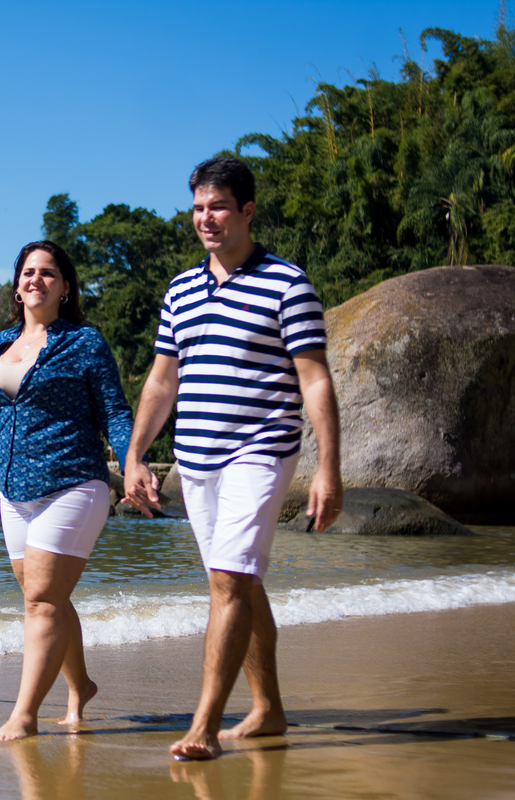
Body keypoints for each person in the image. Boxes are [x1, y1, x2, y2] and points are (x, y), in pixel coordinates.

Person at [122, 156, 343, 760]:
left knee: (228, 580)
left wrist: (328, 468)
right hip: (195, 459)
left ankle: (204, 724)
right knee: (239, 581)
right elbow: (162, 380)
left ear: (247, 211)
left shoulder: (288, 284)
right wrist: (136, 453)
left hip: (261, 450)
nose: (206, 218)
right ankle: (269, 710)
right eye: (198, 207)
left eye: (218, 206)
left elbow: (314, 378)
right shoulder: (181, 290)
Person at [0, 240, 148, 742]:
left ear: (65, 287)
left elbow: (114, 411)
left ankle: (24, 716)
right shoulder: (1, 344)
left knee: (41, 602)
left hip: (73, 483)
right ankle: (80, 687)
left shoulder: (84, 341)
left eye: (48, 273)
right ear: (16, 286)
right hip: (14, 492)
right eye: (28, 272)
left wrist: (132, 462)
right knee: (49, 599)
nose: (36, 280)